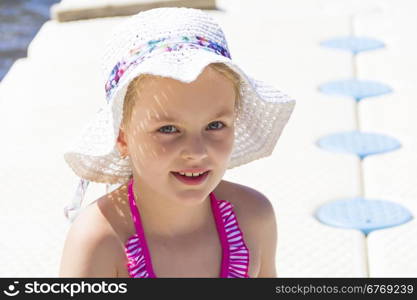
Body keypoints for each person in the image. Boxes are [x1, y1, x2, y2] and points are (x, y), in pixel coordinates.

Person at [59, 7, 295, 278]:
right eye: (168, 129)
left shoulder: (254, 218)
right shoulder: (100, 241)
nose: (196, 152)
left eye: (215, 125)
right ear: (122, 137)